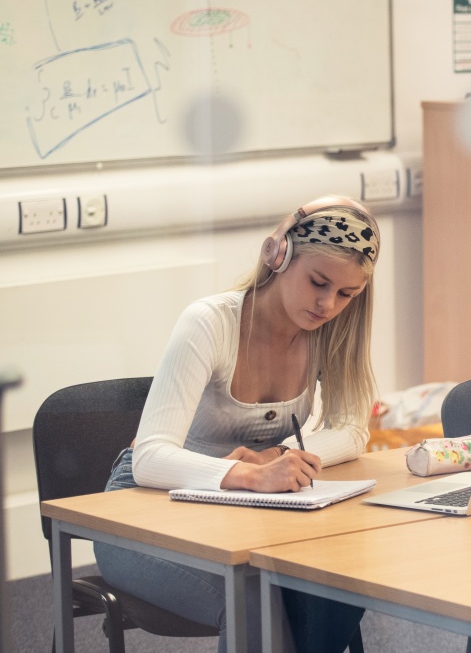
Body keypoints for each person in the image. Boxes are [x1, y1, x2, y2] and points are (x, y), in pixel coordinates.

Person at [94, 195, 378, 653]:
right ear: (279, 255)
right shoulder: (209, 323)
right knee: (250, 599)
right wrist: (248, 474)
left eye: (347, 294)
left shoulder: (329, 335)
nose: (328, 305)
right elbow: (149, 458)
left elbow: (353, 428)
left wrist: (281, 457)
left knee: (337, 587)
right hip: (142, 509)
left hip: (241, 512)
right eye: (319, 283)